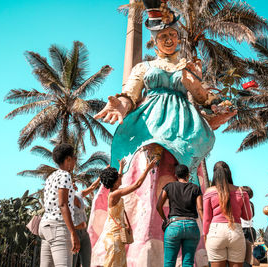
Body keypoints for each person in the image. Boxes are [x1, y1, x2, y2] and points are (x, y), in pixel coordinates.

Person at [89, 1, 235, 265]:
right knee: (144, 171)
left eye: (173, 35)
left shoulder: (186, 69)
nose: (169, 39)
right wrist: (119, 105)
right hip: (148, 126)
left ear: (178, 39)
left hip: (184, 131)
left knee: (187, 171)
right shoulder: (143, 68)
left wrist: (218, 105)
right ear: (155, 42)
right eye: (164, 36)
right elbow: (130, 96)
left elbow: (203, 97)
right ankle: (141, 249)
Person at [100, 158, 157, 267]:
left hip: (116, 234)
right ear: (115, 181)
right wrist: (148, 168)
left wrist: (120, 168)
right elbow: (137, 185)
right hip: (114, 236)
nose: (120, 177)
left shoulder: (114, 192)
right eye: (118, 176)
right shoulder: (115, 194)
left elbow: (119, 178)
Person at [203, 161, 252, 267]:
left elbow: (207, 219)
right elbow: (247, 217)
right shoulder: (241, 192)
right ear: (229, 173)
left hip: (216, 232)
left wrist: (205, 237)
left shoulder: (209, 192)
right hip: (236, 231)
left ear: (215, 174)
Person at [39, 143, 80, 267]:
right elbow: (62, 204)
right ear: (68, 159)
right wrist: (73, 233)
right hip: (58, 227)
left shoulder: (50, 177)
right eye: (74, 158)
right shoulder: (65, 175)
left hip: (45, 226)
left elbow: (55, 200)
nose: (75, 161)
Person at [156, 164, 203, 267]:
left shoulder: (169, 186)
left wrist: (165, 219)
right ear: (188, 175)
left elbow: (158, 206)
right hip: (191, 226)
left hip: (173, 225)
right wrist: (206, 226)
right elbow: (200, 208)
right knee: (188, 263)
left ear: (176, 175)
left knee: (169, 263)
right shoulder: (195, 188)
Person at [72, 178, 101, 267]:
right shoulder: (64, 201)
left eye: (73, 182)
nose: (73, 183)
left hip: (84, 233)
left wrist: (100, 176)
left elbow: (92, 187)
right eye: (71, 182)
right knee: (71, 263)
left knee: (87, 263)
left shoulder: (79, 195)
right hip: (74, 234)